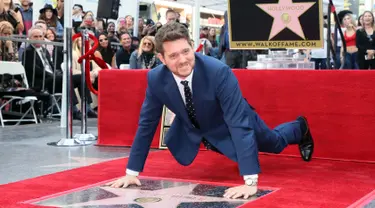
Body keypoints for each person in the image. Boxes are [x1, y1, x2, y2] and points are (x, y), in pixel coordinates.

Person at [106, 22, 314, 199]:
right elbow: (147, 123)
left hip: (233, 119)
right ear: (162, 58)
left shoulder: (219, 72)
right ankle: (214, 141)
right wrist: (131, 172)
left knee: (273, 143)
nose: (183, 60)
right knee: (234, 145)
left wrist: (250, 181)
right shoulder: (155, 78)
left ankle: (299, 128)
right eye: (173, 55)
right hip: (198, 127)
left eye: (186, 51)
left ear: (193, 47)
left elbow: (238, 124)